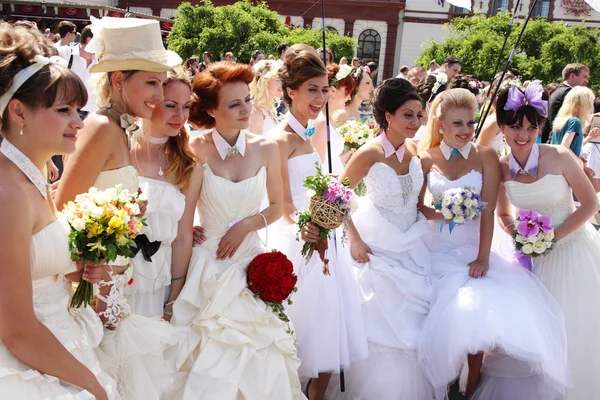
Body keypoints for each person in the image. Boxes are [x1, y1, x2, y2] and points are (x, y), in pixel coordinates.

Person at [55, 16, 182, 400]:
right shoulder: (101, 127)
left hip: (113, 285)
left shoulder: (122, 129)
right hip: (91, 285)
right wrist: (91, 281)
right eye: (151, 82)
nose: (159, 94)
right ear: (117, 80)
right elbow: (63, 209)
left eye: (161, 83)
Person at [417, 88, 568, 399]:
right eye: (457, 123)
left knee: (476, 318)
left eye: (470, 123)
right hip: (434, 250)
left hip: (472, 252)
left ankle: (469, 385)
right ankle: (439, 383)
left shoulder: (485, 155)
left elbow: (488, 212)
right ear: (440, 124)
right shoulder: (425, 158)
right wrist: (446, 211)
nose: (465, 130)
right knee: (431, 317)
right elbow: (419, 207)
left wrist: (483, 258)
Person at [170, 62, 304, 400]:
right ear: (212, 110)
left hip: (250, 261)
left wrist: (247, 225)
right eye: (234, 104)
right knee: (205, 353)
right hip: (208, 262)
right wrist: (176, 288)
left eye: (247, 100)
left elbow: (276, 207)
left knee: (260, 353)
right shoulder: (194, 148)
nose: (246, 109)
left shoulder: (266, 147)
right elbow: (182, 218)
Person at [0, 22, 116, 400]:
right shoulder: (8, 194)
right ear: (18, 112)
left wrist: (77, 268)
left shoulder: (33, 173)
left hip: (58, 337)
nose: (78, 123)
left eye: (78, 110)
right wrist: (91, 385)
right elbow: (15, 328)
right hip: (24, 361)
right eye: (64, 110)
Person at [326, 78, 434, 400]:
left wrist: (445, 214)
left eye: (418, 115)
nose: (415, 122)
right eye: (407, 115)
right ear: (388, 116)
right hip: (377, 243)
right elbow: (336, 196)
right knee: (379, 318)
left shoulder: (415, 149)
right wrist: (354, 239)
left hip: (414, 242)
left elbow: (417, 202)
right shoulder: (369, 153)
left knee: (415, 317)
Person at [271, 44, 368, 400]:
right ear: (290, 90)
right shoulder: (279, 140)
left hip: (327, 240)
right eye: (312, 89)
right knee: (297, 331)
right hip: (298, 239)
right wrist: (306, 227)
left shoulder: (312, 132)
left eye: (325, 89)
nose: (321, 96)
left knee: (330, 330)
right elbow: (281, 201)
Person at [496, 82, 600, 400]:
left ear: (541, 125)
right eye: (515, 127)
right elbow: (504, 215)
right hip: (532, 260)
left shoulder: (560, 156)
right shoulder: (500, 168)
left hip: (572, 251)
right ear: (502, 127)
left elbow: (591, 204)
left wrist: (553, 237)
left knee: (575, 330)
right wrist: (521, 238)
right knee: (536, 339)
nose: (523, 134)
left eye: (531, 126)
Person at [127, 66, 200, 319]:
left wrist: (174, 298)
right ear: (151, 101)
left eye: (186, 106)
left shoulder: (188, 163)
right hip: (112, 274)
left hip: (157, 282)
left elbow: (182, 238)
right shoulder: (120, 148)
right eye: (171, 105)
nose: (180, 115)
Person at [312, 63, 355, 173]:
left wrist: (345, 157)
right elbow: (317, 167)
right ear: (333, 91)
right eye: (348, 92)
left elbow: (329, 160)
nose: (349, 97)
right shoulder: (320, 122)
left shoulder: (329, 119)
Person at [542, 63, 589, 143]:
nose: (586, 81)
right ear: (572, 76)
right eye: (584, 77)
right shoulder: (569, 93)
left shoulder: (558, 91)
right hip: (561, 142)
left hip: (554, 140)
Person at [551, 86, 594, 157]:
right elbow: (564, 148)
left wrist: (589, 138)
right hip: (568, 166)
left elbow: (572, 146)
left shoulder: (561, 120)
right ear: (583, 105)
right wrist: (579, 162)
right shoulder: (575, 122)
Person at [248, 59, 283, 136]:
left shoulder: (269, 109)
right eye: (278, 80)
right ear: (264, 81)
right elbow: (255, 146)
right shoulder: (256, 112)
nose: (282, 84)